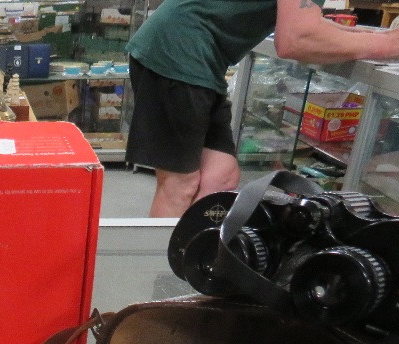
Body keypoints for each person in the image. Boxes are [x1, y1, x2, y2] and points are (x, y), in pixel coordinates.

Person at [125, 0, 399, 217]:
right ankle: (164, 279)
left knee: (220, 175)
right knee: (178, 185)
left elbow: (311, 26)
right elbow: (296, 39)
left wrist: (380, 36)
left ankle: (193, 261)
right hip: (178, 52)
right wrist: (389, 44)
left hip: (198, 56)